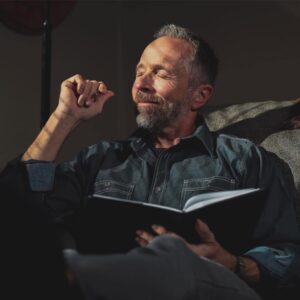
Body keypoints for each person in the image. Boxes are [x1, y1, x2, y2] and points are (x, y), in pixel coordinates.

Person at [5, 24, 300, 299]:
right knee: (48, 253)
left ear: (199, 95)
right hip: (113, 288)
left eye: (160, 74)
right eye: (139, 72)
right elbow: (18, 209)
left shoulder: (245, 159)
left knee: (172, 255)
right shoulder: (100, 158)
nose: (141, 85)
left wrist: (232, 263)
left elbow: (289, 256)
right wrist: (64, 118)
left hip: (211, 286)